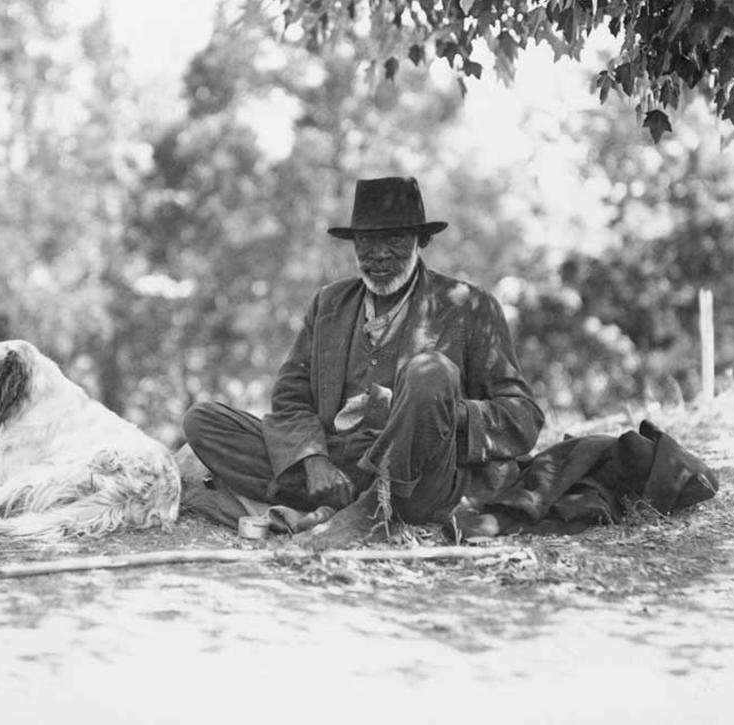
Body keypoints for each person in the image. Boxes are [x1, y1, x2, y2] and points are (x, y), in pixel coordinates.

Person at [181, 176, 545, 548]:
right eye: (368, 241)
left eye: (395, 240)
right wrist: (312, 459)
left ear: (422, 241)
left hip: (416, 478)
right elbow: (291, 396)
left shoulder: (469, 305)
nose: (380, 254)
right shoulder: (329, 304)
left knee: (431, 371)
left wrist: (434, 411)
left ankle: (368, 511)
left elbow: (523, 418)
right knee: (202, 421)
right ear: (354, 245)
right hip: (332, 472)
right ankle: (340, 503)